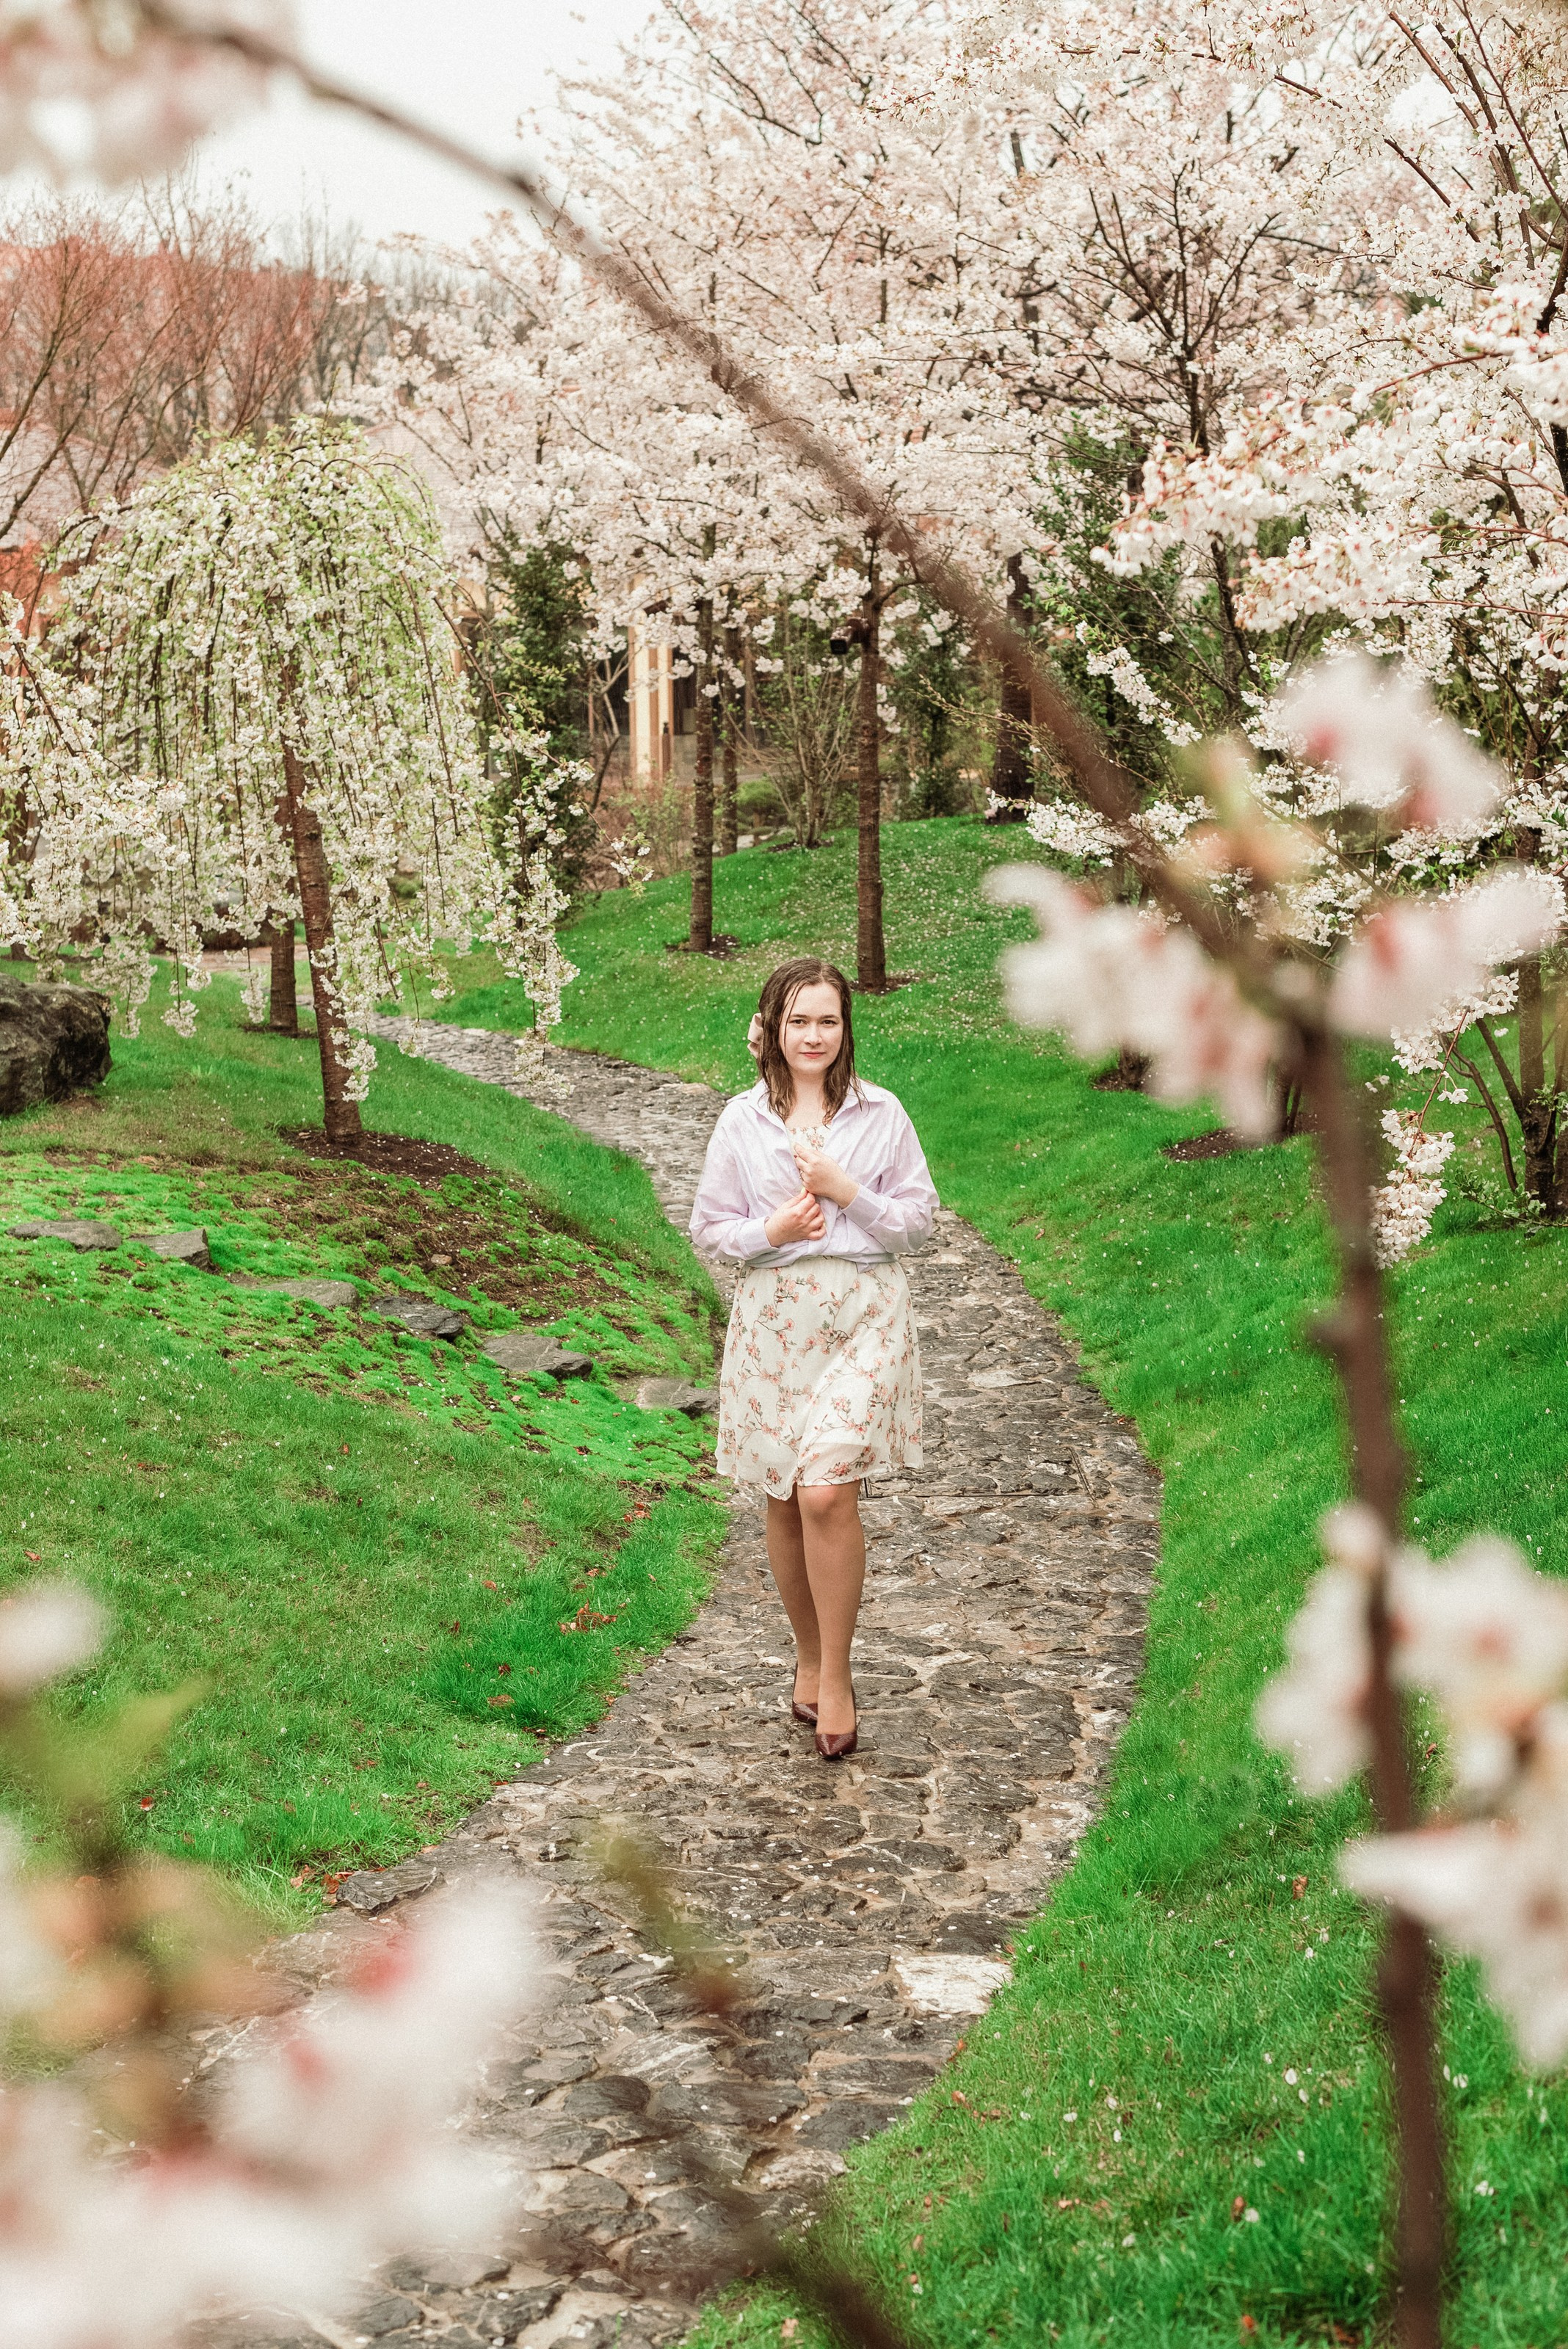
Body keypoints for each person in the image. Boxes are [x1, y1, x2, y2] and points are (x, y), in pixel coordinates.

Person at [689, 956, 937, 1760]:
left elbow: (919, 1222)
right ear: (772, 1028)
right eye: (799, 1020)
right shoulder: (742, 1120)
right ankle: (807, 1651)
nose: (814, 1035)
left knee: (826, 1490)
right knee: (786, 1493)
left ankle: (837, 1674)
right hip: (775, 1322)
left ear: (845, 1027)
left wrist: (845, 1189)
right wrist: (773, 1232)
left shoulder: (882, 1113)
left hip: (865, 1314)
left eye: (828, 1020)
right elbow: (710, 1229)